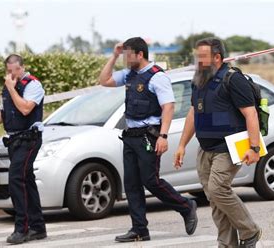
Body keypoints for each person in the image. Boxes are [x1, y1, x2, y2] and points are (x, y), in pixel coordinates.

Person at [98, 37, 197, 242]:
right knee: (132, 184)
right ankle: (139, 229)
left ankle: (186, 206)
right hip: (130, 137)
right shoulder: (129, 75)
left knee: (151, 181)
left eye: (127, 56)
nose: (125, 60)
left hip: (149, 136)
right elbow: (104, 80)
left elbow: (168, 107)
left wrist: (163, 136)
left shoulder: (156, 77)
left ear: (140, 55)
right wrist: (114, 55)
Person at [174, 37, 261, 248]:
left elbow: (250, 114)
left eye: (202, 57)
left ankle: (250, 231)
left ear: (217, 58)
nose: (198, 61)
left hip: (229, 147)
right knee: (214, 198)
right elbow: (193, 113)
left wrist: (254, 147)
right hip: (206, 148)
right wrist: (182, 145)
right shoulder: (199, 81)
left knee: (218, 189)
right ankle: (227, 243)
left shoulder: (233, 80)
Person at [0, 54, 47, 244]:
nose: (11, 75)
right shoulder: (8, 87)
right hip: (14, 140)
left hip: (29, 138)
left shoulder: (33, 85)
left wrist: (11, 88)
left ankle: (22, 229)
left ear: (22, 67)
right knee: (27, 181)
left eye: (15, 70)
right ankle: (38, 227)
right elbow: (4, 111)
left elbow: (25, 108)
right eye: (8, 71)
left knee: (16, 179)